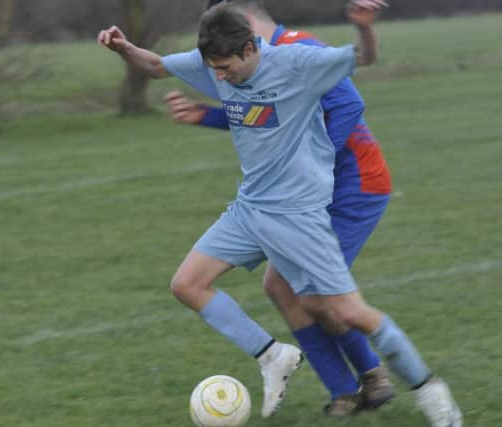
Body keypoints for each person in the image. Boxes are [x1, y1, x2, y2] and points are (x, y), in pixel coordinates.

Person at [97, 2, 462, 426]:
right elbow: (158, 65)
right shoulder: (214, 61)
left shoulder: (298, 62)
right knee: (187, 285)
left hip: (299, 218)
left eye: (225, 67)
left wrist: (364, 29)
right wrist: (124, 48)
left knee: (351, 313)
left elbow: (363, 58)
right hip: (250, 209)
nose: (218, 77)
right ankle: (273, 356)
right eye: (212, 67)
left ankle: (430, 391)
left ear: (251, 48)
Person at [165, 0, 395, 416]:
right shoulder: (255, 67)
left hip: (352, 183)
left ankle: (373, 375)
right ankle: (344, 388)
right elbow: (265, 117)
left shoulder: (299, 50)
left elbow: (347, 107)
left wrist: (309, 164)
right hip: (306, 192)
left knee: (317, 293)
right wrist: (208, 116)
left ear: (245, 24)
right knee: (280, 285)